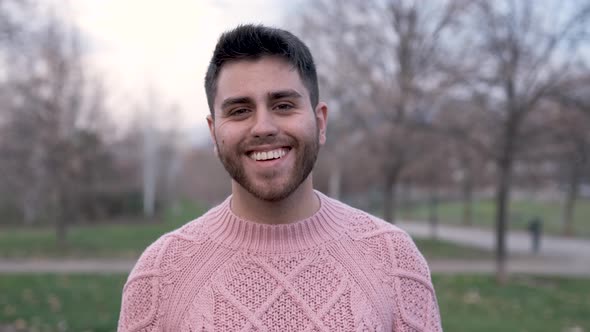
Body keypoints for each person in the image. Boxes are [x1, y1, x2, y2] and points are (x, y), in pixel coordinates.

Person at [118, 24, 442, 332]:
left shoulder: (394, 260)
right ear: (214, 133)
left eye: (284, 105)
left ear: (321, 122)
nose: (263, 127)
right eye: (240, 110)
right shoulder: (160, 275)